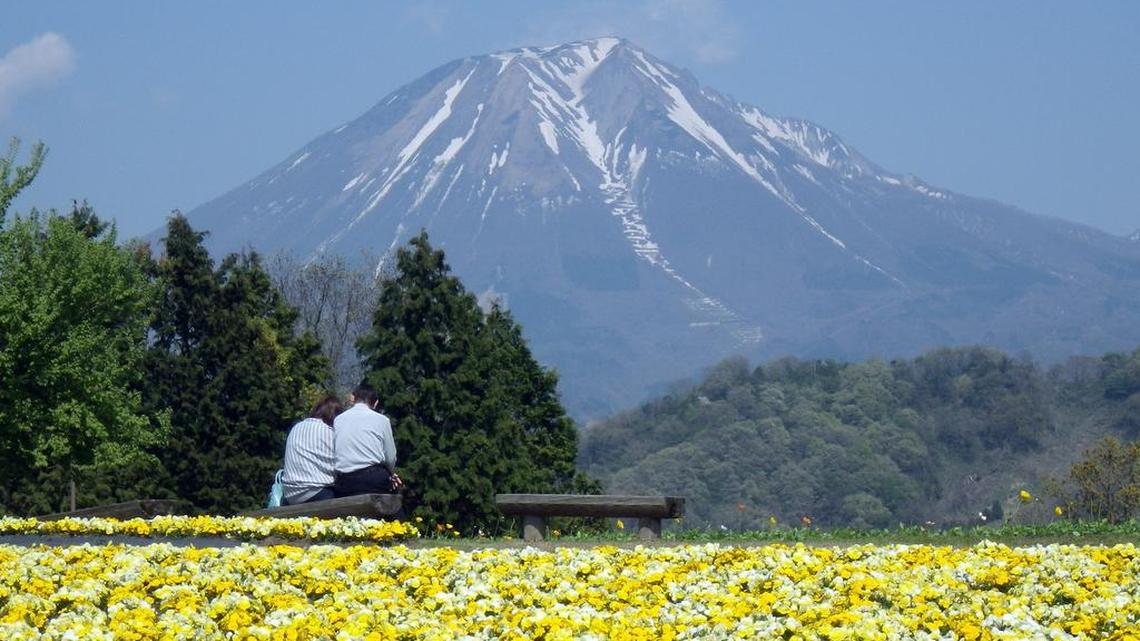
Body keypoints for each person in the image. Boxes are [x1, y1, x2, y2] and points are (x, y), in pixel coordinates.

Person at [333, 384, 403, 496]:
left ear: (354, 399)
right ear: (375, 403)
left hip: (344, 482)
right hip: (372, 479)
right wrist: (391, 473)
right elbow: (391, 458)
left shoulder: (338, 420)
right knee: (395, 506)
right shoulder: (382, 420)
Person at [281, 395, 342, 505]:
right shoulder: (329, 433)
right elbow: (340, 465)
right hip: (316, 492)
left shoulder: (296, 428)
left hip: (290, 494)